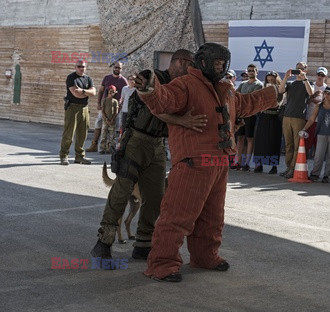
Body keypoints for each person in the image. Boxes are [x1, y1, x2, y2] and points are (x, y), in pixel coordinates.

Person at [134, 43, 279, 282]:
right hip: (193, 162)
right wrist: (150, 88)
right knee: (177, 216)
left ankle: (205, 256)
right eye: (218, 63)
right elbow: (165, 100)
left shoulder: (226, 89)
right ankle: (162, 263)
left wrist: (274, 95)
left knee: (212, 217)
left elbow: (245, 105)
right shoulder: (185, 84)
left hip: (219, 163)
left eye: (224, 64)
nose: (222, 68)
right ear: (203, 62)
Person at [90, 49, 209, 262]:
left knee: (155, 197)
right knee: (122, 190)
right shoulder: (154, 78)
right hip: (136, 141)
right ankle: (104, 242)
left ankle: (143, 244)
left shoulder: (180, 87)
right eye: (191, 65)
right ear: (181, 62)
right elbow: (153, 104)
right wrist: (182, 121)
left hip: (156, 145)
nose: (193, 71)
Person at [278, 62, 314, 178]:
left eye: (301, 69)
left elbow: (311, 93)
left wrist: (305, 79)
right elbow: (280, 90)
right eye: (297, 69)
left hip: (299, 117)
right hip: (287, 116)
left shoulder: (307, 83)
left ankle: (293, 168)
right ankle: (288, 167)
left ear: (306, 70)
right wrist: (286, 77)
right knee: (288, 144)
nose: (299, 71)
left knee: (297, 144)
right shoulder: (290, 83)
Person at [59, 60, 96, 165]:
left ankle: (79, 157)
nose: (81, 68)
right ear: (75, 67)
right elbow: (76, 94)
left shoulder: (88, 79)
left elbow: (93, 92)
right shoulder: (71, 78)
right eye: (79, 66)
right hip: (72, 108)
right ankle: (64, 156)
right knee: (68, 134)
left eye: (83, 66)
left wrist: (83, 91)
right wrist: (87, 93)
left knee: (82, 134)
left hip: (84, 108)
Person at [86, 61, 128, 152]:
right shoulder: (107, 78)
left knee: (113, 127)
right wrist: (98, 103)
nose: (117, 69)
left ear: (121, 69)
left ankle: (110, 147)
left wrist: (120, 107)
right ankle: (94, 145)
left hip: (115, 107)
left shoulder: (124, 81)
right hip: (105, 106)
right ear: (113, 67)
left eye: (119, 68)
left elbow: (125, 94)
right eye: (116, 67)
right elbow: (101, 91)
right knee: (99, 123)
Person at [233, 64, 263, 171]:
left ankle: (247, 163)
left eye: (252, 71)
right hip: (241, 114)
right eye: (249, 70)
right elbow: (236, 95)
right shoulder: (243, 83)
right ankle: (238, 161)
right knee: (240, 138)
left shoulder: (259, 84)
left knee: (250, 139)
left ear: (256, 72)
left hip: (251, 115)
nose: (250, 72)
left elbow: (252, 98)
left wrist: (243, 98)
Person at [253, 71, 284, 174]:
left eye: (272, 80)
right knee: (261, 141)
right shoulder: (263, 89)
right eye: (268, 80)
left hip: (275, 118)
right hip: (264, 116)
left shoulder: (280, 90)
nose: (270, 82)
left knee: (273, 142)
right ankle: (259, 165)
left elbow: (278, 103)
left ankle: (273, 166)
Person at [304, 67, 328, 156]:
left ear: (325, 76)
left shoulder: (327, 88)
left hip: (321, 120)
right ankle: (303, 165)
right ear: (316, 75)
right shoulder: (311, 85)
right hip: (309, 118)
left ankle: (317, 168)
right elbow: (306, 101)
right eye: (319, 74)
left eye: (322, 75)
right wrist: (314, 96)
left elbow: (327, 104)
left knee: (319, 146)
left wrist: (317, 101)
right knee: (306, 144)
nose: (320, 77)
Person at [99, 85, 119, 154]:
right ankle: (102, 148)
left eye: (113, 92)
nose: (111, 93)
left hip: (112, 121)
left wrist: (112, 119)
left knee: (112, 136)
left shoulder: (115, 101)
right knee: (103, 135)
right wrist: (106, 119)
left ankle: (110, 148)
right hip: (105, 120)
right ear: (108, 92)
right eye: (110, 91)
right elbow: (103, 110)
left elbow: (116, 111)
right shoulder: (104, 100)